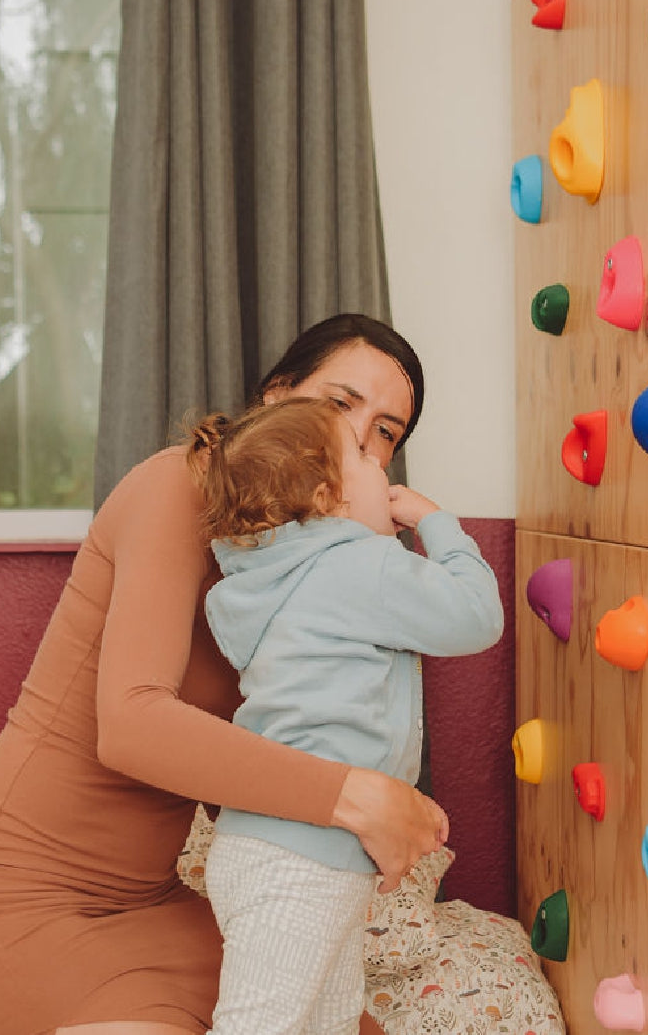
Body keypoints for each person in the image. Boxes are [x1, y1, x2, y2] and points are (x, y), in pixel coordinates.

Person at [0, 314, 454, 1035]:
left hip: (147, 904)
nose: (360, 439)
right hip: (20, 900)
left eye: (386, 431)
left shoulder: (306, 564)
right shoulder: (178, 484)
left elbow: (261, 751)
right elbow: (133, 726)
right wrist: (355, 798)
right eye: (339, 403)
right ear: (275, 399)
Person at [188, 397, 503, 1034]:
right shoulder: (359, 564)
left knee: (327, 1019)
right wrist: (437, 525)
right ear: (331, 496)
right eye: (363, 452)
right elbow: (476, 618)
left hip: (275, 848)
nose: (382, 461)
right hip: (300, 860)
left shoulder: (266, 580)